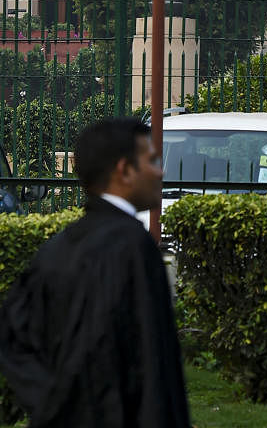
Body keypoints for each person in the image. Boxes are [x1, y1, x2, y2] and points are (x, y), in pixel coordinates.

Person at [0, 117, 191, 427]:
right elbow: (151, 363)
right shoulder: (132, 247)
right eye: (152, 161)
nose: (161, 171)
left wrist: (53, 405)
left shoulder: (57, 248)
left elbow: (13, 337)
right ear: (124, 170)